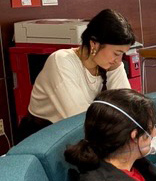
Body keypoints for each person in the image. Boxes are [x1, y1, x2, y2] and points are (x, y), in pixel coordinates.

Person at [21, 9, 134, 141]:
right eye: (116, 53)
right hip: (43, 137)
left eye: (122, 54)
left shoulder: (108, 64)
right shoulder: (61, 61)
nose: (119, 60)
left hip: (78, 135)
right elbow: (79, 118)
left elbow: (127, 109)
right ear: (94, 44)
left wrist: (115, 70)